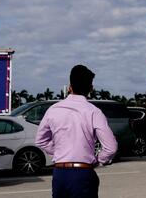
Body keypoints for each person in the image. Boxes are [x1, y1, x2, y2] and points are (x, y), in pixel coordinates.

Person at [36, 65, 117, 198]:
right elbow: (111, 147)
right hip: (83, 173)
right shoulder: (94, 112)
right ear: (91, 89)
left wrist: (58, 151)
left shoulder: (53, 109)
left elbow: (40, 140)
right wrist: (98, 160)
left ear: (69, 87)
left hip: (60, 173)